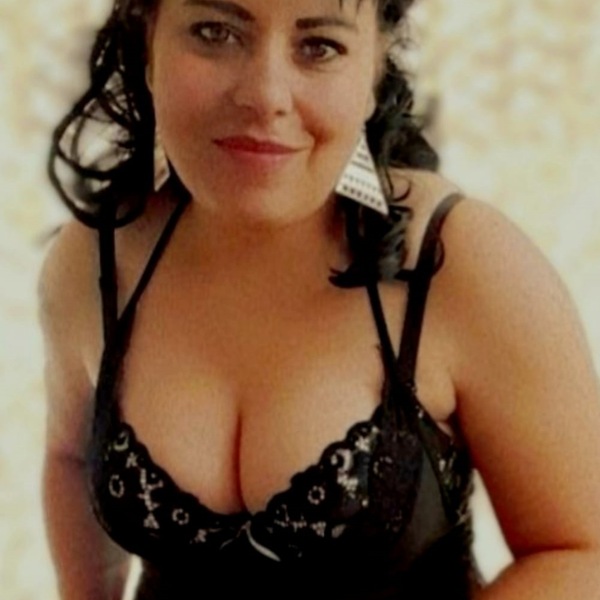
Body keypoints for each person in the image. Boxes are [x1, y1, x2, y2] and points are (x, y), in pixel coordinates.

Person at [39, 0, 600, 598]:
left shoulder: (458, 262)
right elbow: (71, 457)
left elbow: (580, 553)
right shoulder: (97, 259)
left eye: (319, 46)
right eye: (215, 32)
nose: (265, 95)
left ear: (375, 68)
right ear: (149, 42)